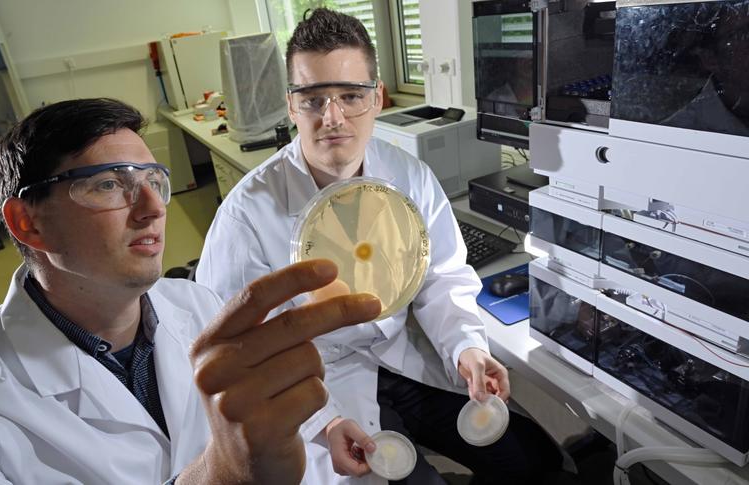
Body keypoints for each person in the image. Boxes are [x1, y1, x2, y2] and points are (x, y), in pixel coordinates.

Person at [197, 8, 561, 485]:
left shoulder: (409, 176)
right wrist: (321, 423)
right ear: (291, 105)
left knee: (532, 461)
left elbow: (440, 278)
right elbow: (243, 352)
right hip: (323, 385)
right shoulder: (247, 213)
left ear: (377, 97)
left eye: (350, 95)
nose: (333, 117)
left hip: (406, 355)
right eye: (313, 99)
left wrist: (467, 350)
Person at [0, 98, 382, 484]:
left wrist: (325, 424)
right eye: (108, 184)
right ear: (29, 222)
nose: (154, 208)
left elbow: (252, 396)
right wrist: (224, 475)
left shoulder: (195, 303)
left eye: (153, 181)